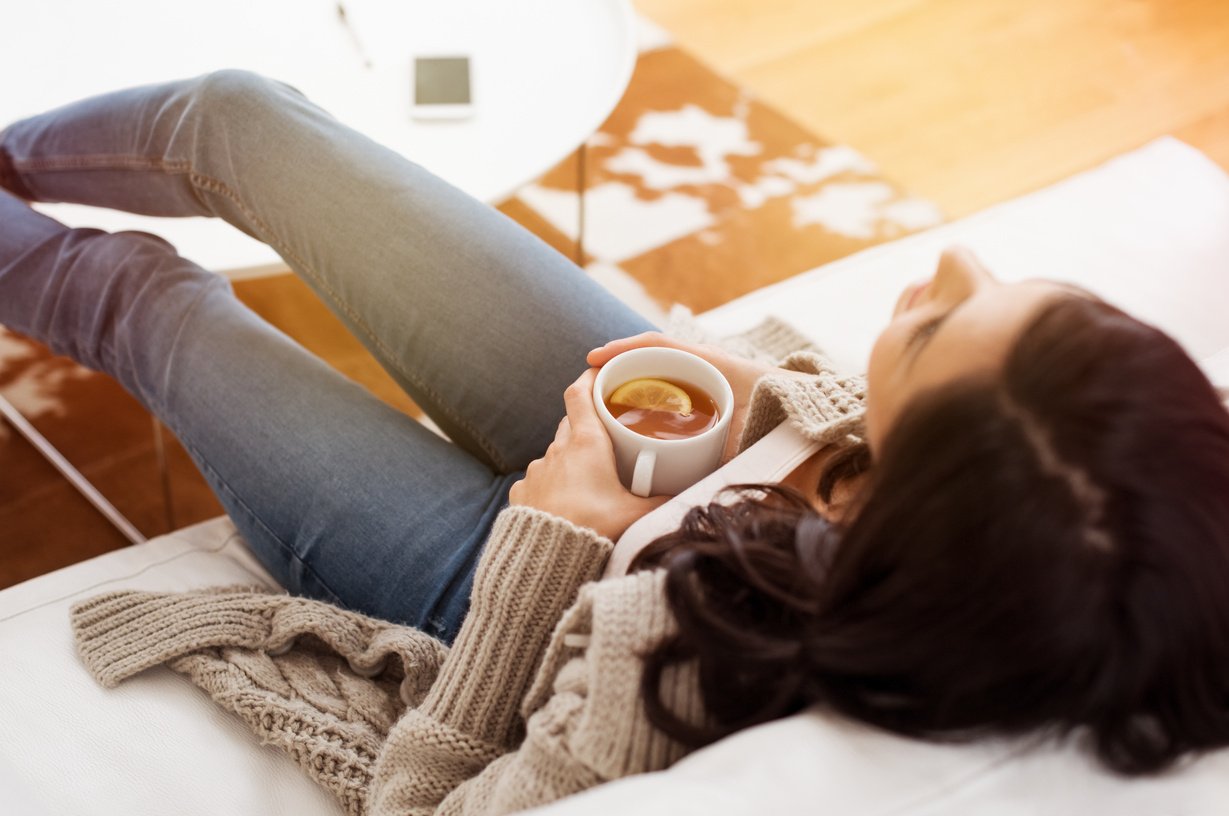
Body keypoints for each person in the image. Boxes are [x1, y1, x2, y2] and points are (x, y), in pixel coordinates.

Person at [5, 72, 1229, 814]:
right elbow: (885, 438)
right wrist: (780, 413)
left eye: (935, 327)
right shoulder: (1093, 510)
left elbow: (429, 804)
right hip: (678, 457)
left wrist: (552, 541)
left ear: (891, 520)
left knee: (140, 301)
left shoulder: (671, 673)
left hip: (510, 589)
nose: (949, 259)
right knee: (238, 116)